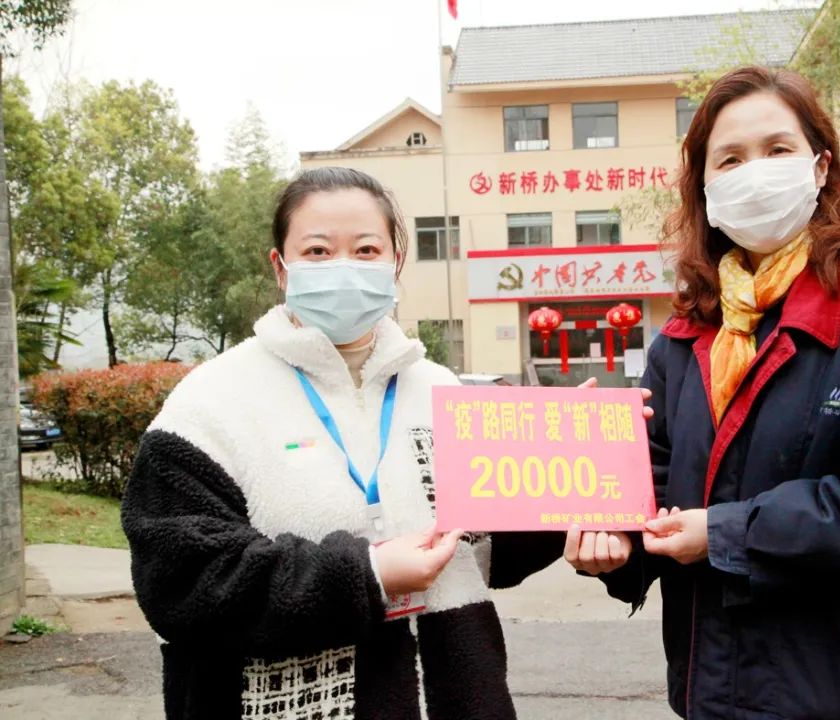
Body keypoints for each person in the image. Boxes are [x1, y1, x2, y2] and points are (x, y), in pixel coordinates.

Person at [564, 66, 840, 720]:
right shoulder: (684, 340)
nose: (755, 173)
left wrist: (725, 534)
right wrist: (613, 542)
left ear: (820, 167)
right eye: (730, 159)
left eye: (778, 149)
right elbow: (654, 487)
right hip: (716, 698)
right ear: (705, 189)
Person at [122, 167, 565, 720]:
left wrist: (570, 477)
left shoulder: (441, 391)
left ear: (395, 264)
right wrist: (367, 575)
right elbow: (181, 582)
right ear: (280, 267)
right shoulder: (210, 402)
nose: (344, 267)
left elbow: (485, 551)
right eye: (317, 251)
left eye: (366, 249)